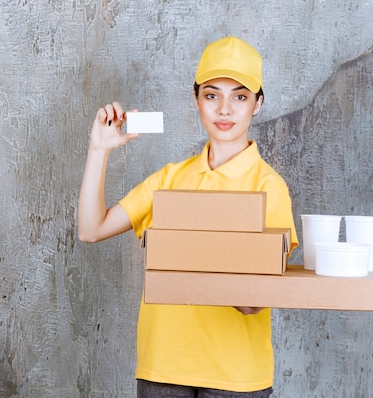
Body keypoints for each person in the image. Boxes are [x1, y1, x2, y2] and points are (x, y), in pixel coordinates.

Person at [78, 36, 298, 398]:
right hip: (162, 368)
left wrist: (185, 247)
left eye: (240, 96)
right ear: (196, 100)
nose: (224, 109)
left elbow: (254, 300)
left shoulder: (270, 188)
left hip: (236, 378)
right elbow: (91, 229)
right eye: (212, 95)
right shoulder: (170, 179)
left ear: (258, 104)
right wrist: (99, 150)